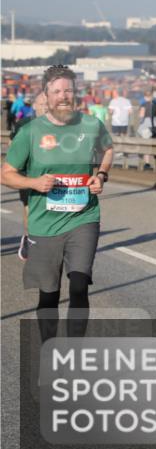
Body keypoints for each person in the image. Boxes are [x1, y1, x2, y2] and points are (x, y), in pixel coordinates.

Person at [1, 65, 113, 342]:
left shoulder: (90, 125)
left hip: (83, 217)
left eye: (68, 90)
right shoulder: (30, 131)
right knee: (49, 294)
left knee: (78, 286)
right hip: (44, 223)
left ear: (76, 94)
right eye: (57, 91)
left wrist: (100, 175)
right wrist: (34, 183)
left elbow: (107, 149)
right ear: (46, 95)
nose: (63, 96)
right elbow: (6, 174)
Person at [16, 90, 47, 261]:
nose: (45, 108)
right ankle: (29, 237)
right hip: (27, 174)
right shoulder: (23, 124)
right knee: (29, 208)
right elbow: (14, 146)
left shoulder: (57, 125)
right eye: (41, 104)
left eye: (47, 104)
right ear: (34, 106)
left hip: (49, 174)